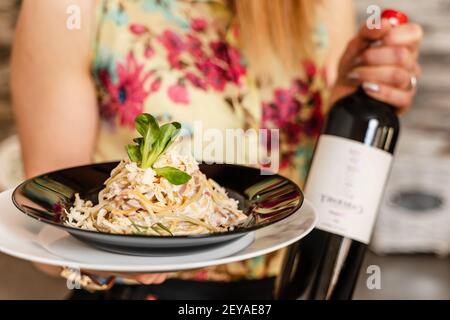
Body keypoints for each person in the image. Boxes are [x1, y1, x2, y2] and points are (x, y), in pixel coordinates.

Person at [11, 0, 422, 299]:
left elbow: (317, 179)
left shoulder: (317, 6)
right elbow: (51, 223)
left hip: (291, 286)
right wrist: (113, 259)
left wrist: (349, 101)